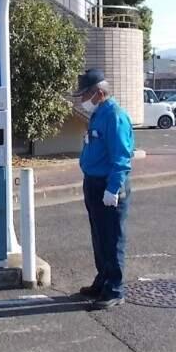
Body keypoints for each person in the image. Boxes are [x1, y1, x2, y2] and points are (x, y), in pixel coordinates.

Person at [74, 69, 135, 310]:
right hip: (93, 181)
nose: (82, 101)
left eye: (85, 95)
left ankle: (115, 288)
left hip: (108, 185)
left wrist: (113, 189)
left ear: (99, 93)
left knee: (112, 238)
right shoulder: (98, 114)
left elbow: (121, 157)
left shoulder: (115, 117)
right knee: (99, 236)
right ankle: (103, 279)